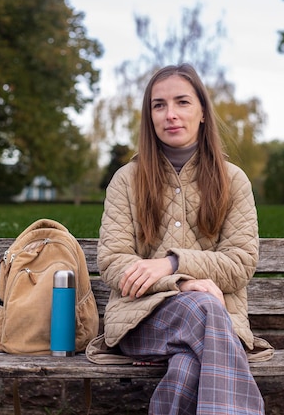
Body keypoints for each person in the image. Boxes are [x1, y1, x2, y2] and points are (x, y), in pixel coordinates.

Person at [96, 63, 266, 415]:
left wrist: (171, 262)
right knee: (203, 305)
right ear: (150, 116)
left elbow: (240, 263)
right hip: (140, 322)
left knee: (188, 367)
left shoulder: (233, 181)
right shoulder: (126, 181)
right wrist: (181, 281)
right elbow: (113, 262)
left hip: (215, 328)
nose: (170, 114)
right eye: (159, 105)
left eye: (182, 102)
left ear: (202, 112)